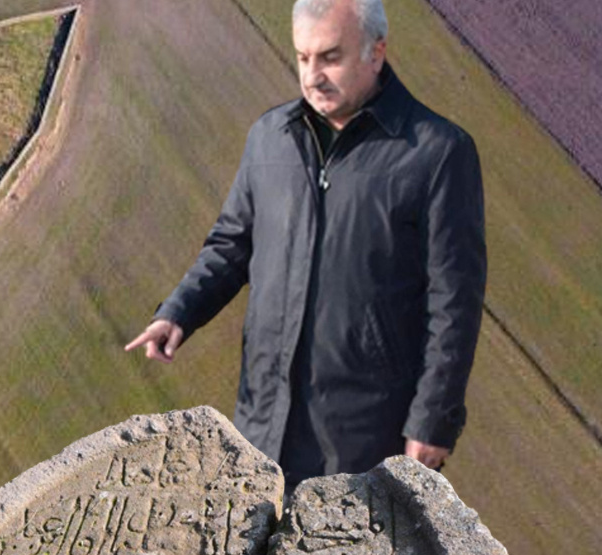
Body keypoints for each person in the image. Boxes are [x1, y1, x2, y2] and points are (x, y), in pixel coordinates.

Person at [124, 0, 486, 491]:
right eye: (303, 58)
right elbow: (232, 244)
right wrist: (179, 311)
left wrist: (432, 421)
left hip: (365, 435)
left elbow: (455, 304)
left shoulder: (438, 155)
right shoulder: (270, 139)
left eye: (330, 57)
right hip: (261, 422)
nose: (313, 75)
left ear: (375, 53)